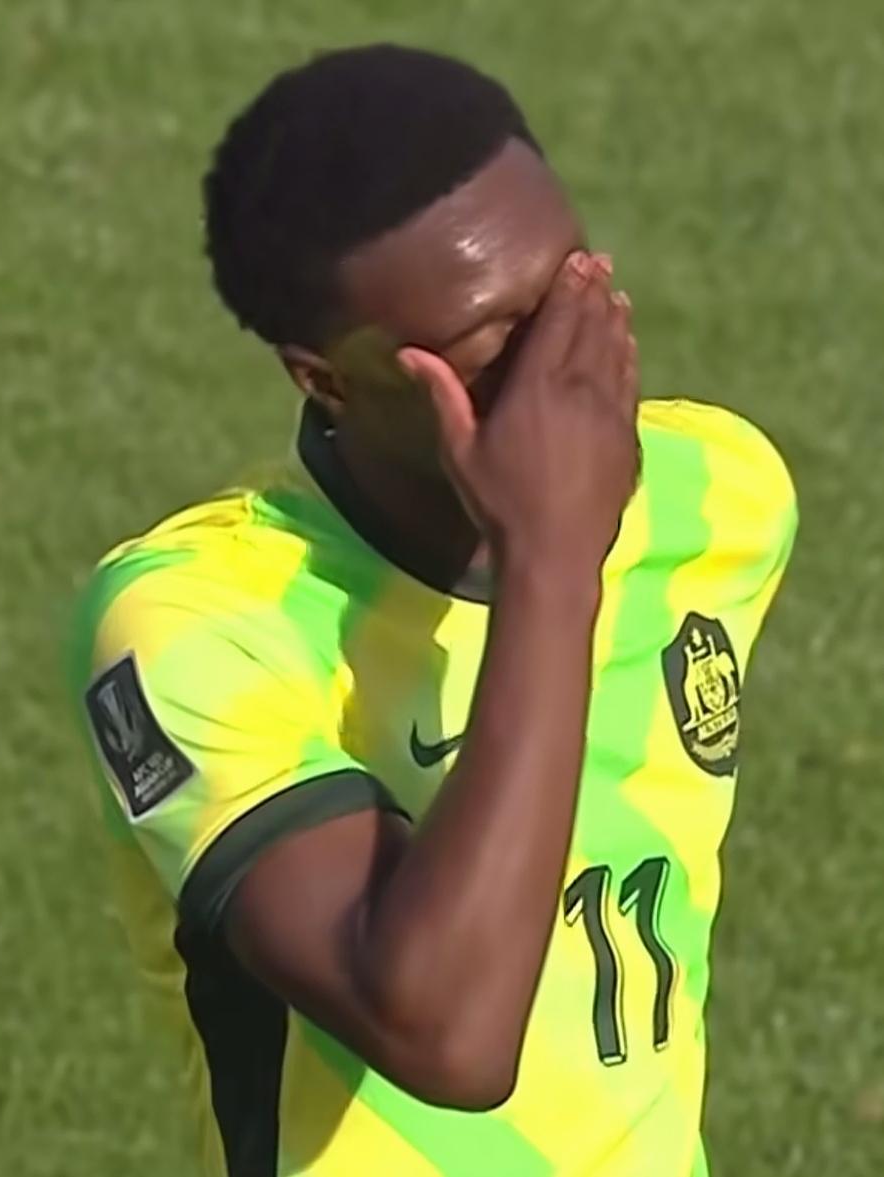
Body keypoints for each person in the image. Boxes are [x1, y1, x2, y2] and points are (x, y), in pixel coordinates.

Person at [69, 43, 798, 1177]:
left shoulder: (719, 496)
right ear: (326, 378)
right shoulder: (201, 625)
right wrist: (552, 558)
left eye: (570, 291)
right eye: (489, 350)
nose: (561, 372)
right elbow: (444, 1035)